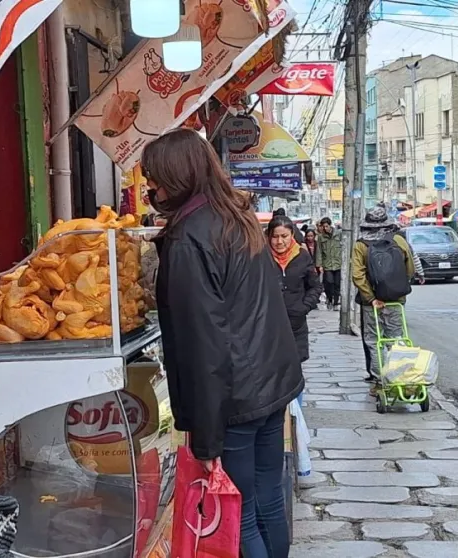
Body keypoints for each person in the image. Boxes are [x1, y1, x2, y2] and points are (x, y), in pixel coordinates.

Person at [141, 128, 303, 558]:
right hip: (271, 384)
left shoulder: (189, 239)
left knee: (240, 511)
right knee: (269, 497)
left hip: (235, 399)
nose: (149, 189)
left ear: (176, 178)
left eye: (153, 179)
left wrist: (207, 439)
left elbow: (204, 344)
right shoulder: (237, 218)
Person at [351, 207, 417, 385]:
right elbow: (410, 269)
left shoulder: (361, 245)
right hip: (396, 300)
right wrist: (398, 290)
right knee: (396, 338)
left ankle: (380, 379)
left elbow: (357, 275)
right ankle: (399, 376)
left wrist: (371, 298)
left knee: (374, 340)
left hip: (371, 302)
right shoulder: (398, 241)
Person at [268, 215, 322, 363]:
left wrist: (303, 307)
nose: (279, 241)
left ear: (292, 235)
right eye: (275, 237)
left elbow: (315, 286)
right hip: (268, 325)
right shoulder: (261, 257)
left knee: (295, 369)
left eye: (284, 236)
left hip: (296, 324)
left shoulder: (302, 256)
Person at [316, 217, 343, 310]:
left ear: (330, 225)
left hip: (338, 263)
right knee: (329, 282)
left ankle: (335, 302)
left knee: (337, 284)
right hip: (327, 264)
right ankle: (329, 298)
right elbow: (319, 251)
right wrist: (319, 265)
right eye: (323, 227)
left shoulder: (339, 234)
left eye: (326, 226)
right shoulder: (321, 237)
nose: (325, 228)